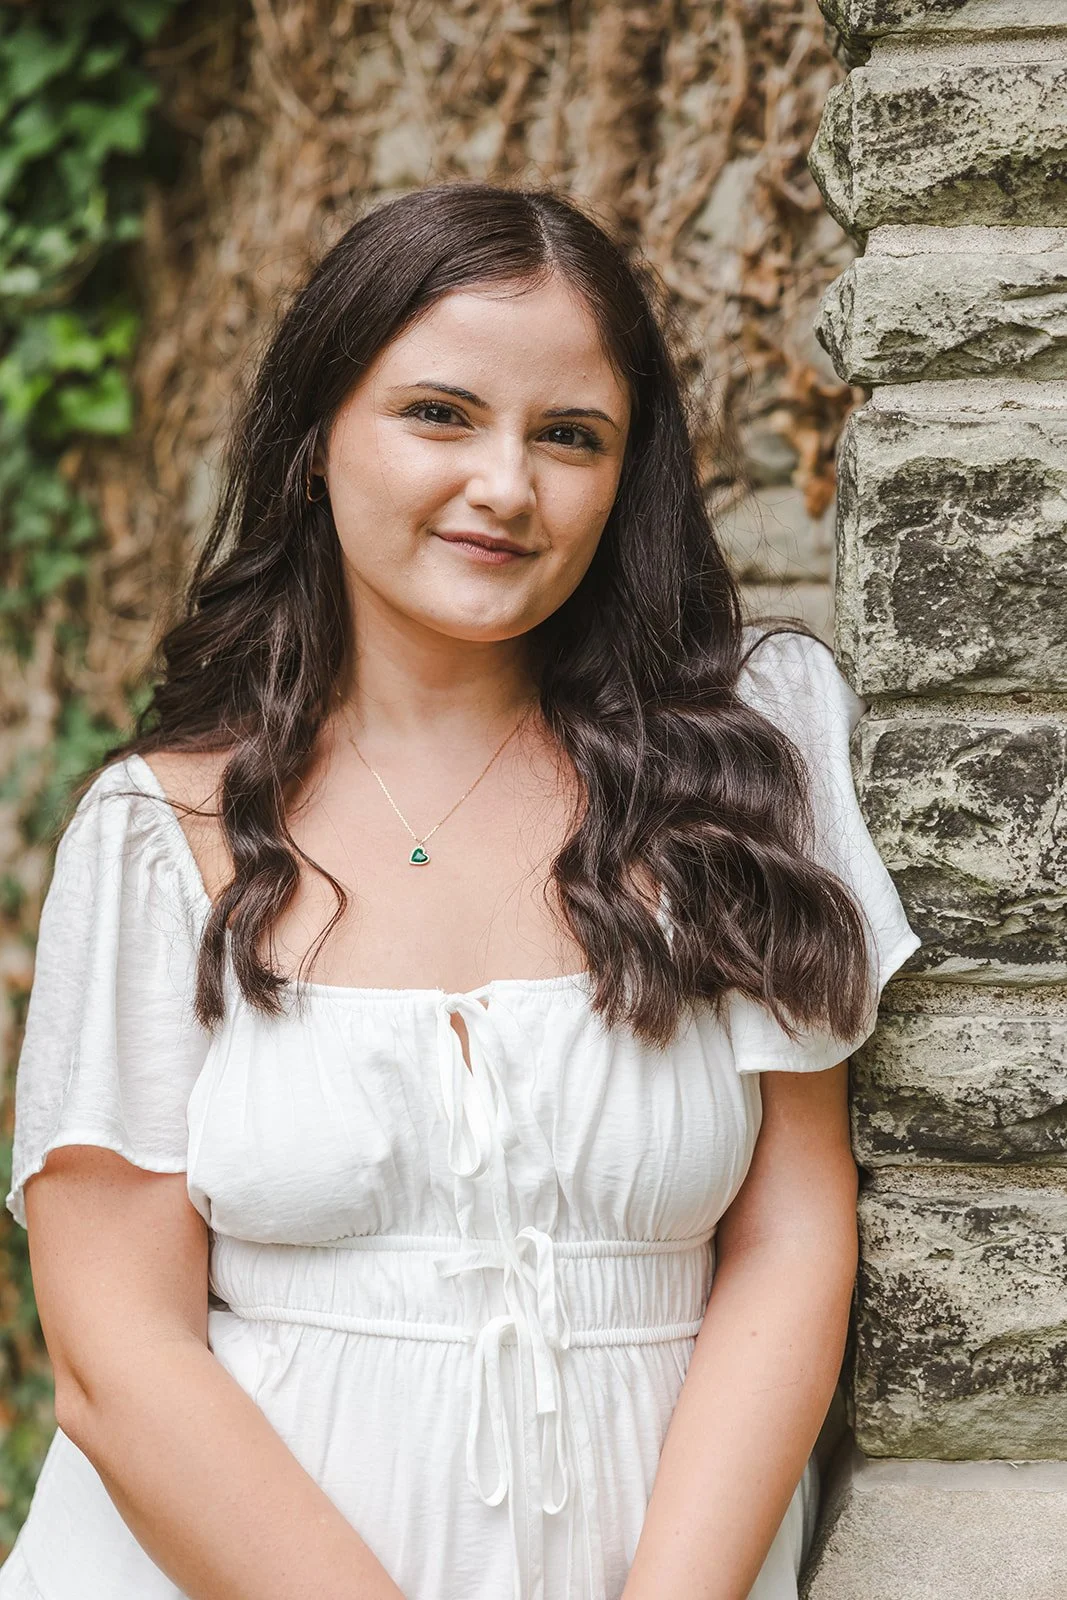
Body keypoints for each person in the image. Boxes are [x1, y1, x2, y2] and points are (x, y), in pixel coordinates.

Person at [0, 182, 919, 1600]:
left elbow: (792, 1234)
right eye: (438, 414)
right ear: (314, 445)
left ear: (626, 480)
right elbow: (122, 1363)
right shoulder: (156, 834)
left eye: (570, 436)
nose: (506, 485)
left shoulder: (745, 757)